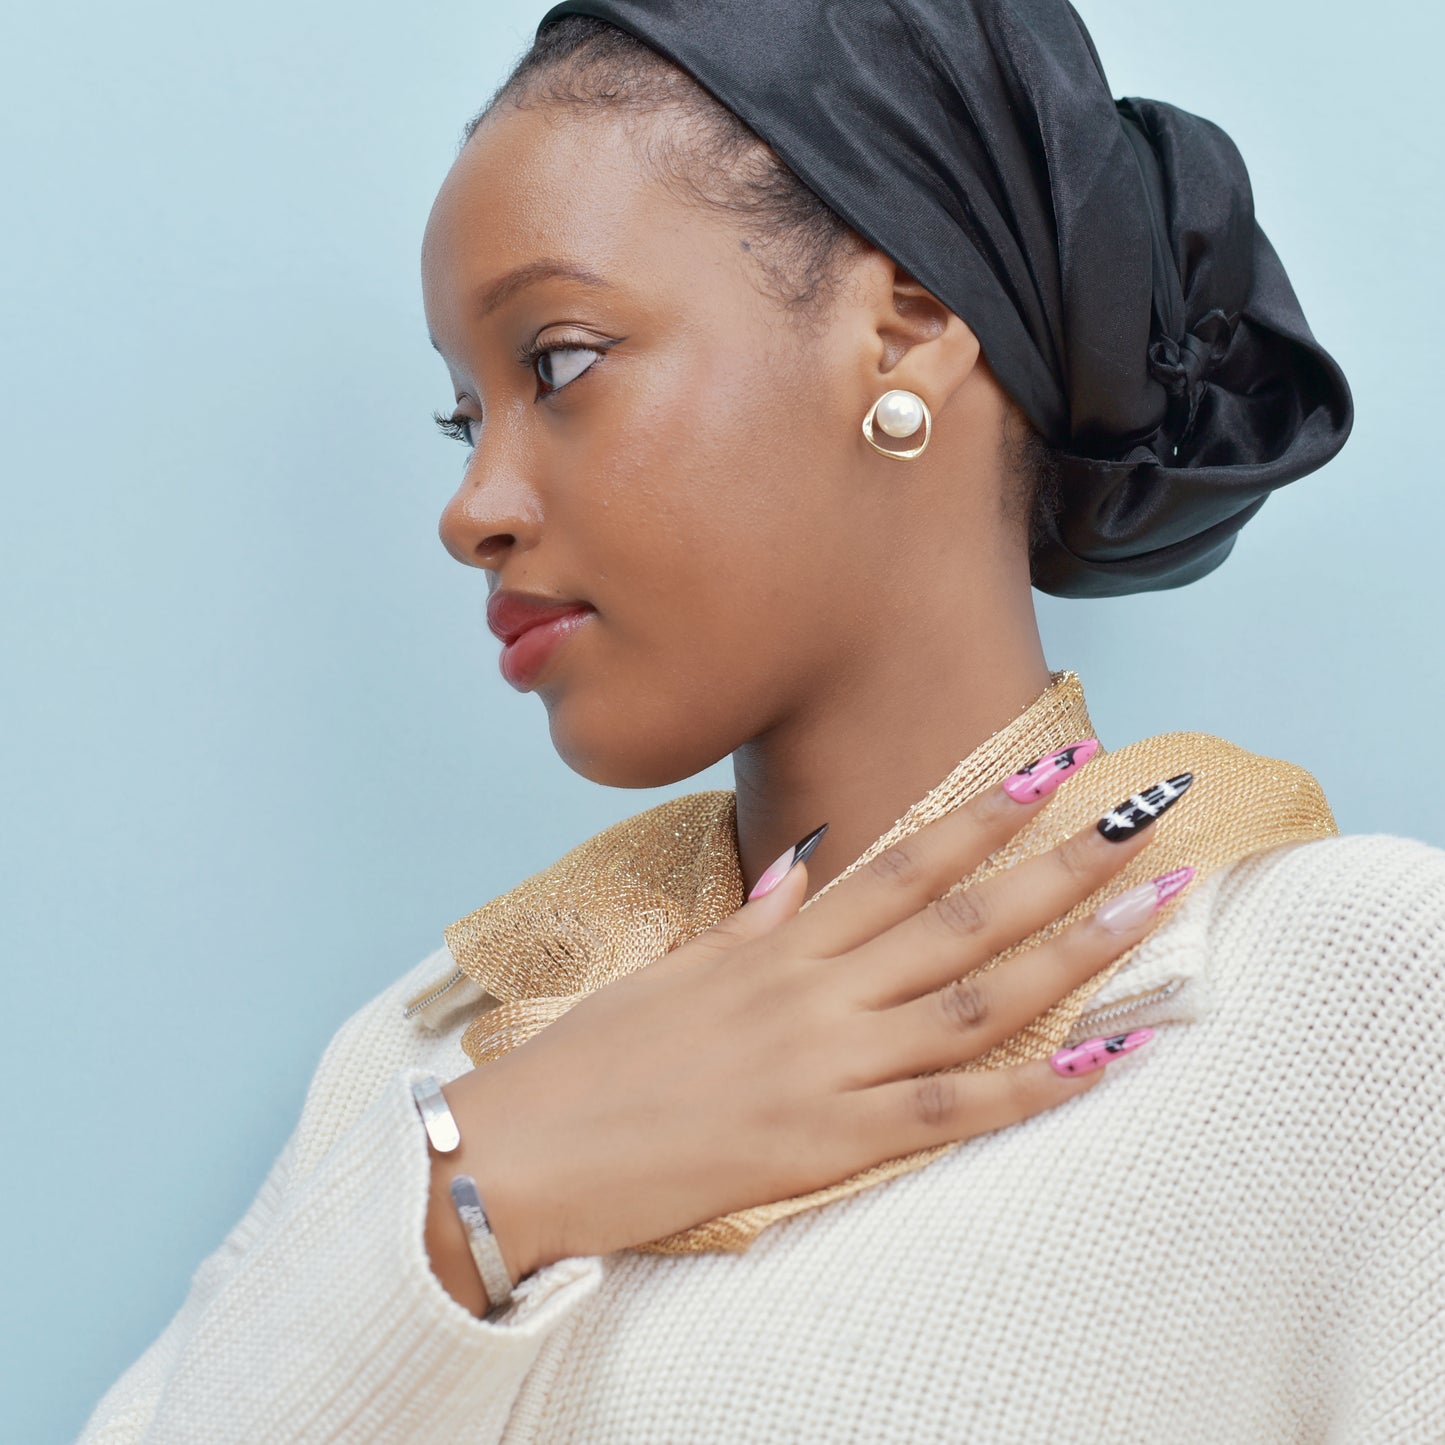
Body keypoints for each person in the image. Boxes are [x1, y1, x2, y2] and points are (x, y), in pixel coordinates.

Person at [78, 2, 1445, 1441]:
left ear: (908, 326)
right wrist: (485, 1177)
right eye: (463, 416)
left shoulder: (1348, 993)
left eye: (558, 362)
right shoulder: (439, 1052)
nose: (470, 508)